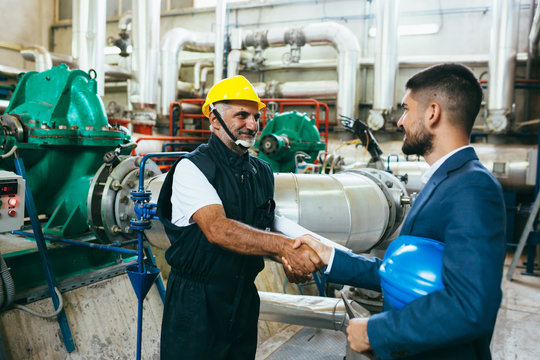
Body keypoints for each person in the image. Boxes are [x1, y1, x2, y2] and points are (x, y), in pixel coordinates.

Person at [292, 63, 506, 359]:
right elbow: (403, 271)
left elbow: (470, 305)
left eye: (406, 109)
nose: (401, 122)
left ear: (432, 113)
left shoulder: (473, 188)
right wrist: (330, 256)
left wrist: (376, 331)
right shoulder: (444, 180)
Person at [157, 75, 323, 360]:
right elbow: (218, 229)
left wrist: (288, 259)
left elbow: (262, 228)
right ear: (214, 119)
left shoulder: (262, 172)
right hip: (197, 302)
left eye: (256, 116)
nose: (253, 124)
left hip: (244, 298)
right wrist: (284, 248)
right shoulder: (192, 168)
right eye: (242, 115)